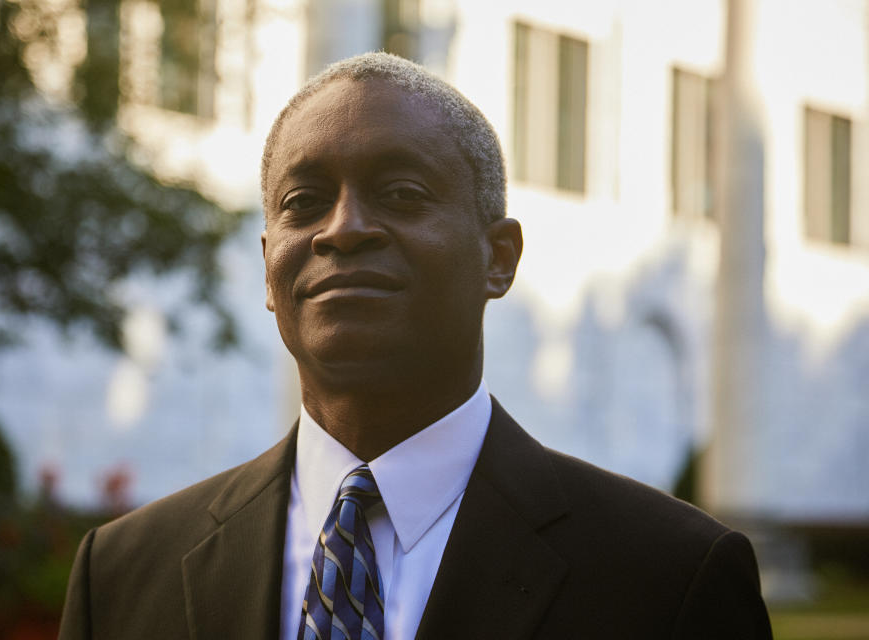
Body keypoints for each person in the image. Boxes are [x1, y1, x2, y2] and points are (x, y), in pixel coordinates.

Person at [58, 52, 772, 640]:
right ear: (269, 269)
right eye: (303, 203)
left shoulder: (671, 577)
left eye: (400, 192)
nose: (342, 230)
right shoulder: (121, 574)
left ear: (499, 258)